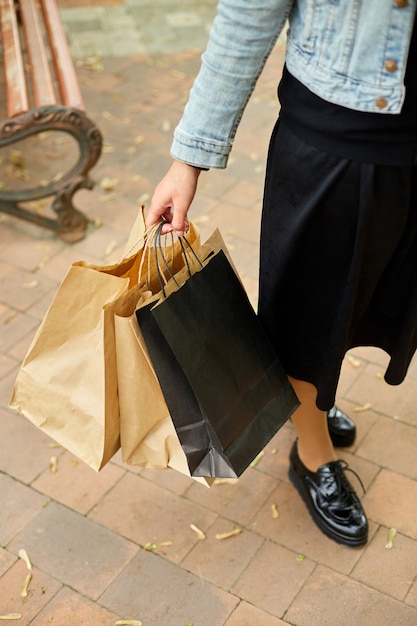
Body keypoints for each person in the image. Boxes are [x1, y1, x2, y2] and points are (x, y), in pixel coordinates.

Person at [146, 0, 417, 548]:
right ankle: (311, 455)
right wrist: (188, 159)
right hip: (336, 144)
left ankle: (314, 401)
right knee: (309, 318)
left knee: (369, 301)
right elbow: (248, 15)